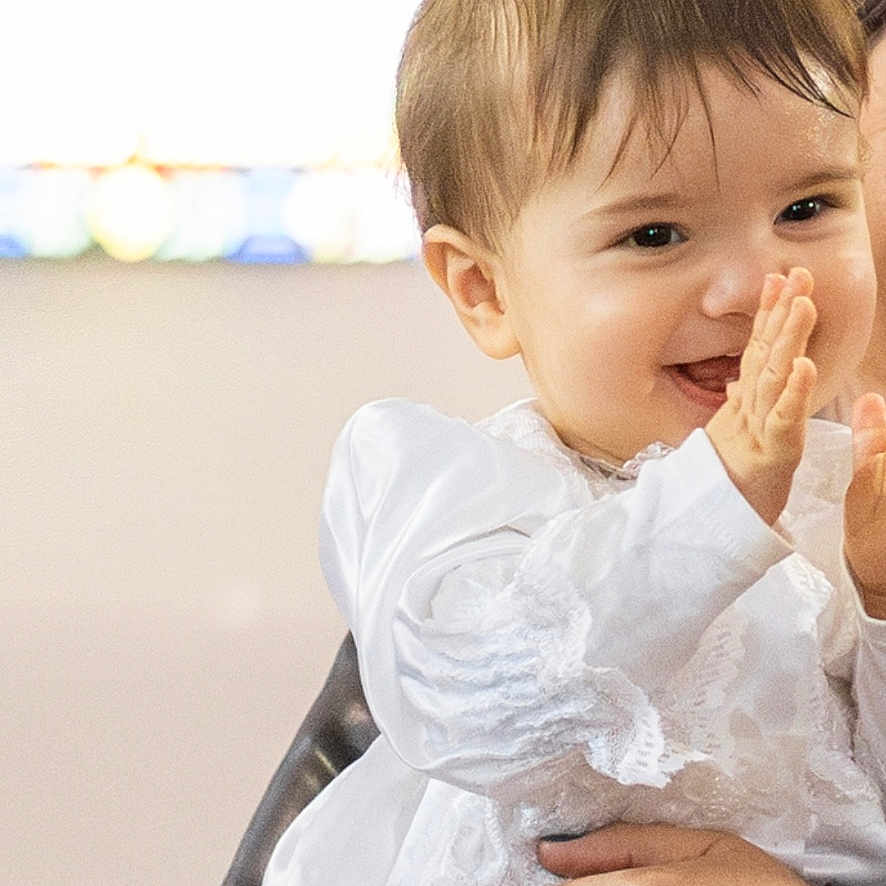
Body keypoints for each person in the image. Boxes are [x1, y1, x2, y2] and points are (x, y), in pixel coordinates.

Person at [234, 1, 886, 884]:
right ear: (483, 291)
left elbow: (864, 814)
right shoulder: (458, 490)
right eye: (653, 234)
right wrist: (715, 504)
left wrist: (881, 604)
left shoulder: (844, 500)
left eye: (807, 207)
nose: (753, 285)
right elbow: (471, 705)